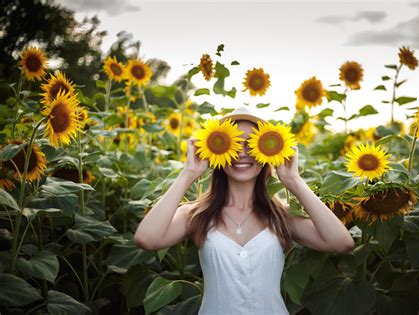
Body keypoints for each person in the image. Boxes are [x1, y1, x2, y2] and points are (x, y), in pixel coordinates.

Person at [134, 106, 355, 314]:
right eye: (233, 143)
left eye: (252, 144)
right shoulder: (196, 214)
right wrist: (189, 173)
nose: (242, 152)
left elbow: (341, 242)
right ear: (217, 151)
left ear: (266, 153)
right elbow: (146, 239)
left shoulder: (281, 216)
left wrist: (294, 180)